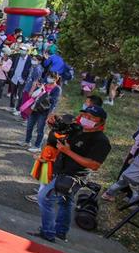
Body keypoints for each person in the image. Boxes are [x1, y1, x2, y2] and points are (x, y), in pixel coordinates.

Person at [28, 105, 111, 243]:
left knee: (44, 198)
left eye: (91, 117)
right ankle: (61, 232)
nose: (86, 119)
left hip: (73, 176)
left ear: (101, 121)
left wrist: (67, 151)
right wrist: (53, 123)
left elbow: (94, 165)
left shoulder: (101, 141)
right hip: (61, 169)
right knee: (65, 202)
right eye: (84, 115)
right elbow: (60, 133)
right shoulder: (78, 129)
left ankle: (47, 232)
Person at [23, 73, 62, 153]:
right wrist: (37, 88)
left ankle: (37, 146)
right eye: (49, 76)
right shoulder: (44, 84)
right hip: (35, 108)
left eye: (51, 77)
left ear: (56, 79)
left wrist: (50, 113)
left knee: (40, 129)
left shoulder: (57, 89)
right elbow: (34, 95)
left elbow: (54, 102)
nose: (49, 78)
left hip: (44, 111)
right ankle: (27, 141)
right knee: (29, 126)